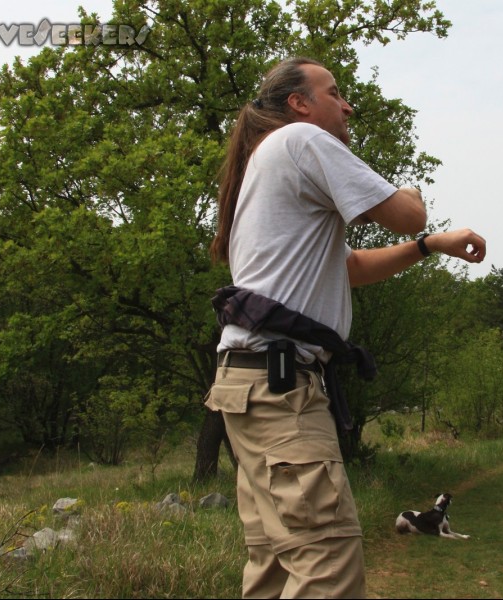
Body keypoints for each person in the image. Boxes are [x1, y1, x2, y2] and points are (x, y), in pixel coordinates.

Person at [206, 56, 486, 599]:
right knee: (327, 563)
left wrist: (428, 249)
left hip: (251, 388)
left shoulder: (267, 164)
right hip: (281, 390)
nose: (347, 104)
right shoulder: (301, 143)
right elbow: (409, 212)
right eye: (335, 93)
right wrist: (419, 209)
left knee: (275, 565)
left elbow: (349, 268)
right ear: (299, 104)